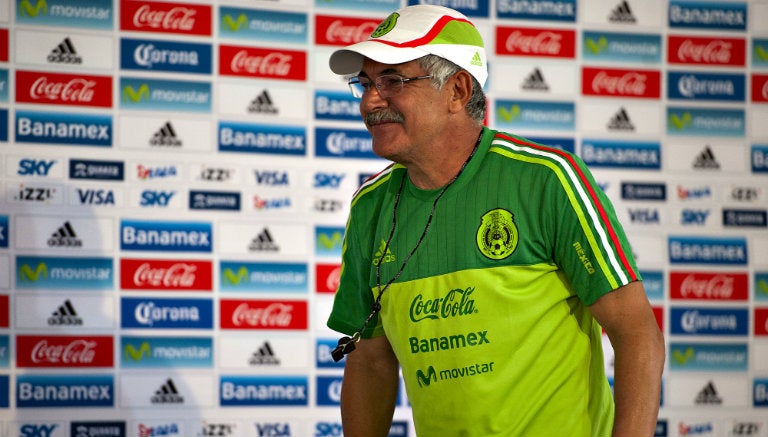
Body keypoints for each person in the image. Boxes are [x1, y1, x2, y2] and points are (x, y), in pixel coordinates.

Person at [325, 4, 665, 437]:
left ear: (458, 91)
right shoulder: (370, 206)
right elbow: (370, 359)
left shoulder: (547, 178)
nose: (372, 99)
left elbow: (637, 332)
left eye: (392, 80)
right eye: (366, 83)